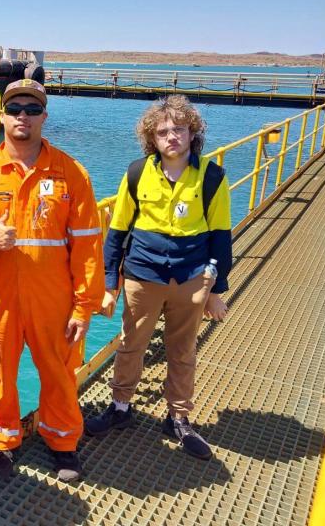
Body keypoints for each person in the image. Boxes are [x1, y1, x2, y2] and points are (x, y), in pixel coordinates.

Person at [0, 79, 104, 482]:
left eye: (32, 109)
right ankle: (4, 442)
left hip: (52, 297)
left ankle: (63, 442)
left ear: (44, 117)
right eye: (14, 108)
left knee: (58, 370)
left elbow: (88, 246)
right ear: (2, 117)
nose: (23, 116)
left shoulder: (71, 174)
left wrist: (84, 306)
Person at [86, 94, 231, 460]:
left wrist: (217, 290)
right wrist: (109, 286)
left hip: (191, 278)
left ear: (192, 133)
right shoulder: (136, 173)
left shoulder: (212, 177)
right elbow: (117, 233)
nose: (172, 137)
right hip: (142, 275)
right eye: (163, 131)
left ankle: (178, 418)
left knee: (182, 351)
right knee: (130, 344)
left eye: (179, 129)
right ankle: (120, 407)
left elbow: (220, 237)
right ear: (152, 138)